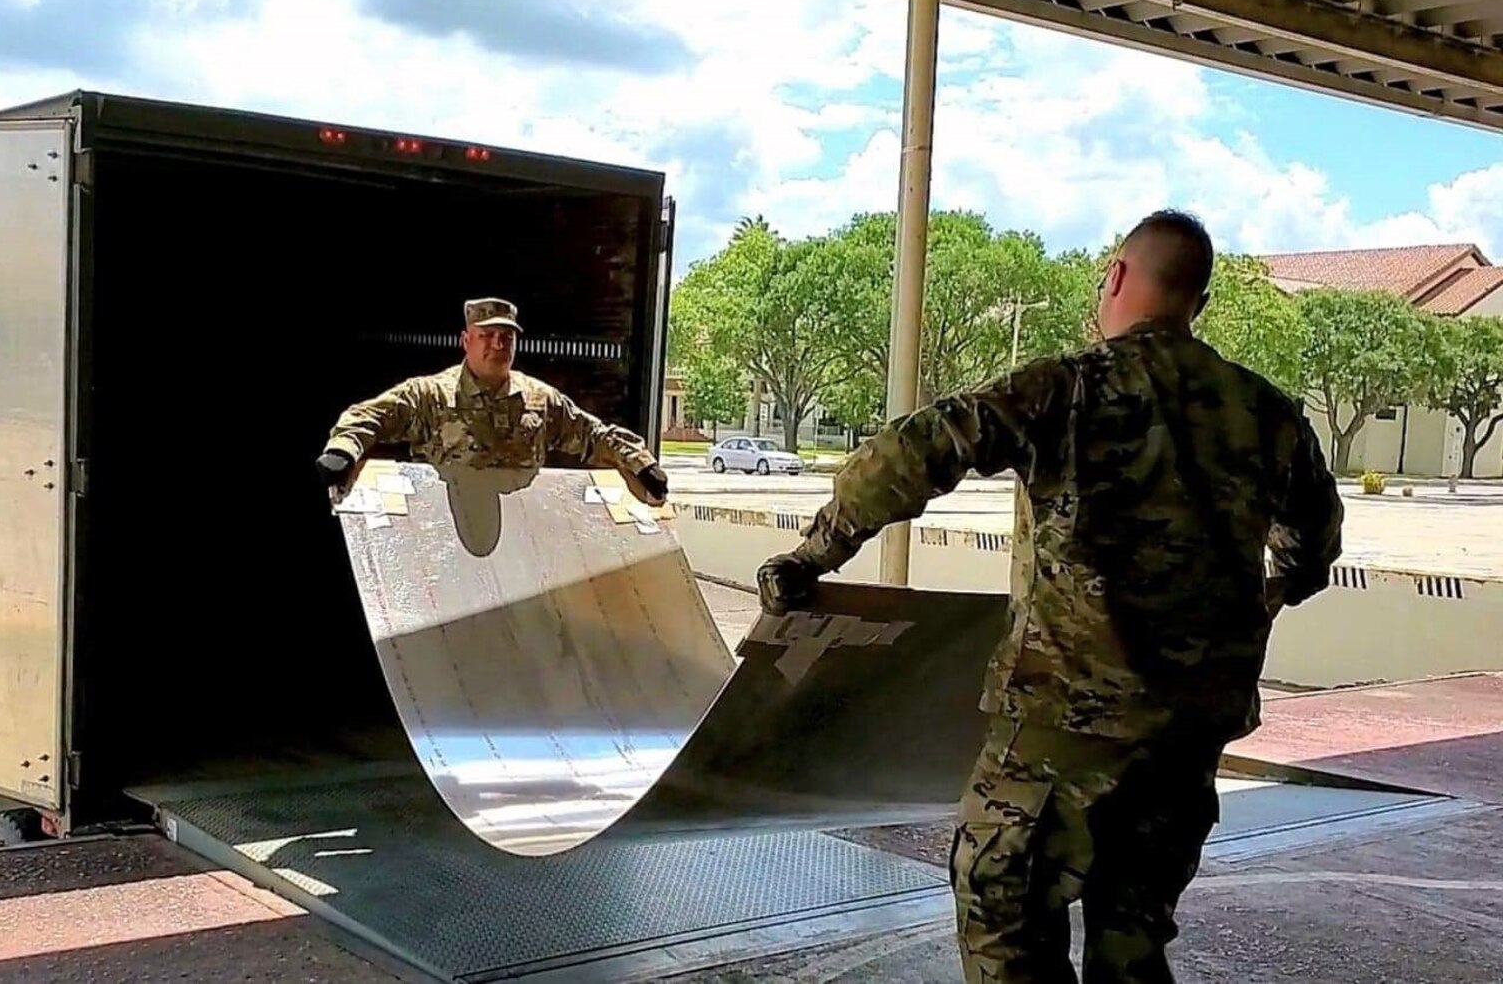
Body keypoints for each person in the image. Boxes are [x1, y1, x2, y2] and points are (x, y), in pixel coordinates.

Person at [756, 210, 1343, 984]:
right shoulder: (1266, 413)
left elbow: (913, 450)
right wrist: (1263, 596)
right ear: (1195, 301)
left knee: (1005, 924)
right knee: (1133, 944)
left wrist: (815, 552)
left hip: (1063, 735)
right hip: (1184, 747)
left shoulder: (1070, 387)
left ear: (1117, 277)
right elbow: (1314, 540)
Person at [316, 297, 670, 502]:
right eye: (487, 335)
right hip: (445, 531)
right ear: (466, 340)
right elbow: (368, 417)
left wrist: (640, 462)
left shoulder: (539, 400)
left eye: (506, 337)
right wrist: (343, 451)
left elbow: (594, 436)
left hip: (520, 538)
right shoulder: (428, 395)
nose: (498, 345)